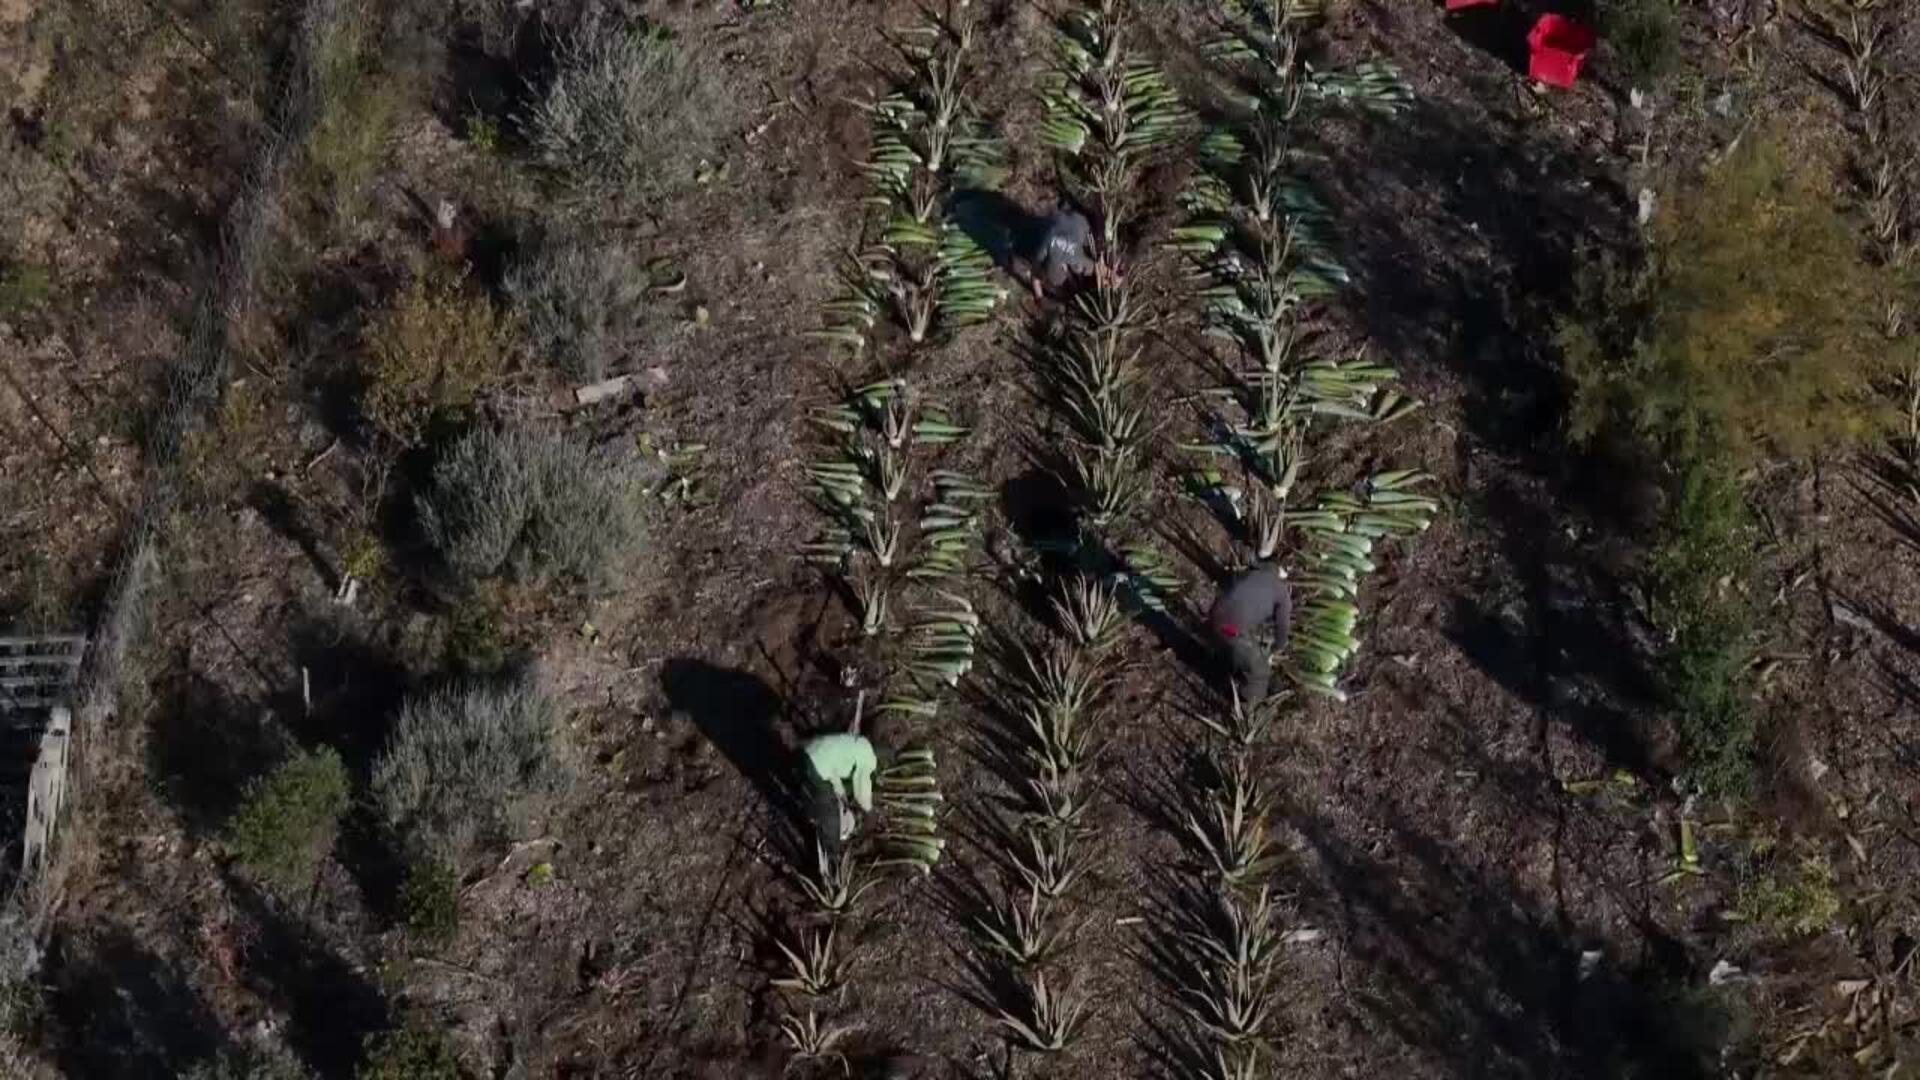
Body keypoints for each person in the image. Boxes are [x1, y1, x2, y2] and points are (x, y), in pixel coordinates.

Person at [1208, 563, 1292, 706]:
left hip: (1214, 613)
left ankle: (1223, 661)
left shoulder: (1255, 573)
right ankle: (1246, 707)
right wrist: (1273, 652)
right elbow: (1282, 635)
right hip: (1229, 629)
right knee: (1260, 671)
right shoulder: (1283, 596)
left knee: (1241, 645)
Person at [801, 714, 876, 854]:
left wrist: (843, 798)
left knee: (816, 792)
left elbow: (835, 777)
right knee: (830, 813)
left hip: (810, 752)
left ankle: (811, 815)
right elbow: (862, 787)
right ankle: (831, 852)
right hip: (818, 763)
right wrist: (869, 811)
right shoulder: (869, 759)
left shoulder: (858, 745)